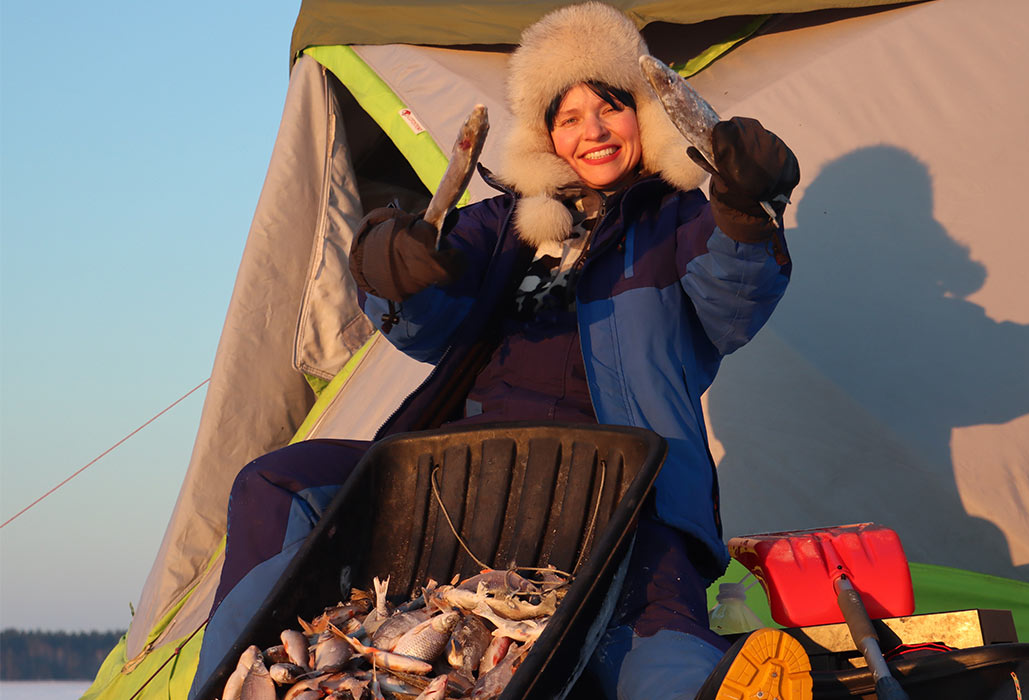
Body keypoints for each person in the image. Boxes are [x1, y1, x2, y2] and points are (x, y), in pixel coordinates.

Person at [196, 3, 808, 699]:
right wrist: (388, 267)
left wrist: (746, 216)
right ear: (547, 135)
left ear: (641, 113)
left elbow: (732, 304)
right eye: (568, 117)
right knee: (278, 483)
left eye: (609, 107)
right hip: (458, 471)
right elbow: (427, 319)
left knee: (650, 612)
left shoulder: (681, 218)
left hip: (624, 480)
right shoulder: (501, 225)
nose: (592, 131)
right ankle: (230, 682)